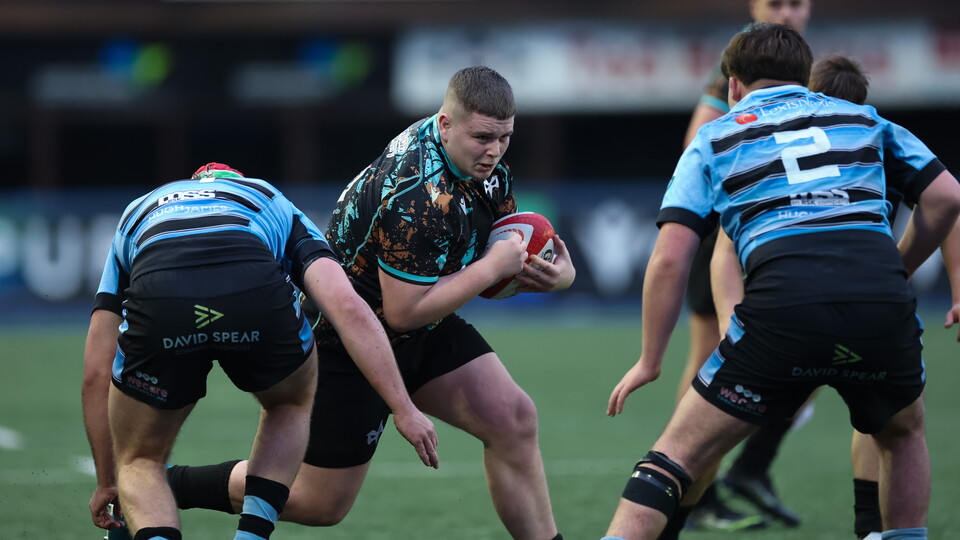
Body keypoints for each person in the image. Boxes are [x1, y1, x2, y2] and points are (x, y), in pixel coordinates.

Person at [163, 66, 576, 540]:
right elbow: (409, 307)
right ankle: (168, 484)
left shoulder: (483, 166)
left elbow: (496, 256)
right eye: (483, 137)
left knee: (514, 419)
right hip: (346, 337)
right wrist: (491, 268)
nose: (495, 151)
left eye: (505, 137)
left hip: (420, 322)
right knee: (320, 503)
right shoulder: (417, 196)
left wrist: (557, 277)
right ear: (444, 124)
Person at [602, 22, 960, 540]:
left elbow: (669, 259)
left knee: (673, 458)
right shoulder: (863, 119)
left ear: (733, 86)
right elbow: (947, 197)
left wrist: (649, 360)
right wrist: (897, 268)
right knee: (903, 435)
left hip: (783, 310)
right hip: (881, 305)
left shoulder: (717, 134)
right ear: (804, 79)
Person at [81, 162, 438, 540]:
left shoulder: (140, 209)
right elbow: (345, 306)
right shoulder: (266, 195)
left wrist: (108, 478)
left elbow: (95, 370)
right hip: (251, 289)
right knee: (288, 403)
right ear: (236, 180)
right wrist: (404, 408)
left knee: (140, 460)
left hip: (162, 292)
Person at [677, 0, 813, 532]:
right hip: (731, 236)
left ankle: (746, 469)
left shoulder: (801, 62)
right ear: (755, 6)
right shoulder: (740, 66)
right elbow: (697, 143)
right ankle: (687, 491)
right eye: (775, 2)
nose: (787, 12)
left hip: (778, 235)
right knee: (709, 365)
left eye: (795, 2)